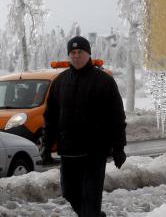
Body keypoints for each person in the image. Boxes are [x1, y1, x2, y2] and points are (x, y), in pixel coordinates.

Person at [41, 36, 127, 217]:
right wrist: (47, 146)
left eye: (80, 52)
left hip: (94, 153)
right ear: (69, 55)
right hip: (69, 151)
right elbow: (51, 117)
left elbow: (117, 117)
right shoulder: (60, 82)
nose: (76, 56)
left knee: (90, 200)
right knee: (70, 193)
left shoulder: (104, 81)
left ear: (88, 54)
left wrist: (118, 147)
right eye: (72, 53)